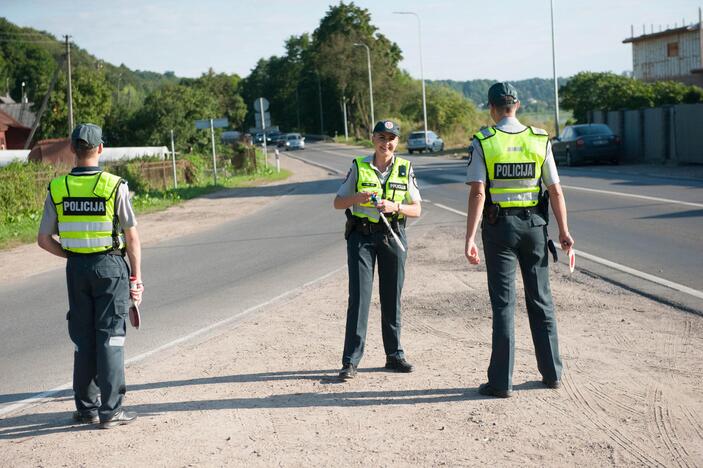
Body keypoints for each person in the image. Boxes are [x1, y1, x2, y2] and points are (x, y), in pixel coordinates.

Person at [464, 83, 574, 398]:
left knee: (503, 304)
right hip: (536, 227)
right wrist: (564, 232)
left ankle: (501, 382)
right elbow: (555, 190)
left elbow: (478, 193)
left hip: (499, 229)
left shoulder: (484, 141)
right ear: (518, 105)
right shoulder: (540, 139)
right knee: (541, 300)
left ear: (491, 107)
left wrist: (469, 237)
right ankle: (552, 373)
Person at [37, 123, 143, 428]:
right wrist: (136, 278)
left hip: (77, 269)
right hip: (110, 268)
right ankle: (110, 411)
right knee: (111, 337)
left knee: (83, 338)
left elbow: (44, 239)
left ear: (71, 149)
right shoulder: (114, 185)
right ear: (100, 149)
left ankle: (86, 408)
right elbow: (132, 238)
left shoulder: (58, 188)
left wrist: (71, 254)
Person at [333, 120, 422, 379]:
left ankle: (394, 355)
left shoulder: (405, 168)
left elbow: (417, 209)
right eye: (382, 137)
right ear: (373, 139)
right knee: (359, 298)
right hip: (361, 237)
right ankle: (350, 360)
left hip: (393, 236)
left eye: (392, 138)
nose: (387, 143)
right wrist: (357, 198)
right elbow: (338, 203)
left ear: (397, 141)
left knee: (391, 297)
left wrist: (395, 207)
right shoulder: (359, 166)